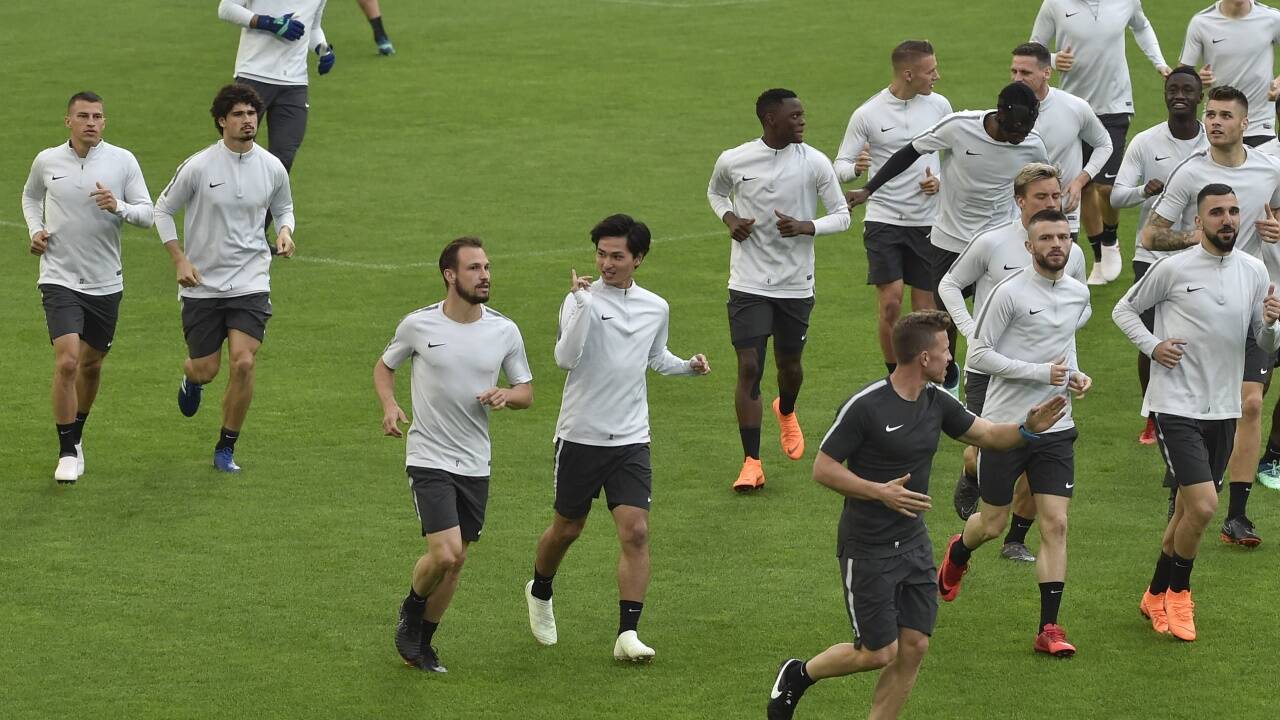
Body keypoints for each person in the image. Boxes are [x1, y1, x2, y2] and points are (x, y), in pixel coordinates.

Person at [765, 310, 1066, 720]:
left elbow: (990, 436)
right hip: (867, 548)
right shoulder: (866, 406)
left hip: (913, 545)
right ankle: (800, 674)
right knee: (877, 652)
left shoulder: (937, 401)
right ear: (923, 358)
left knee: (914, 646)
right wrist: (879, 493)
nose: (950, 360)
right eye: (944, 351)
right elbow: (824, 467)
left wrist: (1028, 428)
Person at [524, 214, 710, 662]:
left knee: (637, 532)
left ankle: (627, 633)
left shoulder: (655, 307)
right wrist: (583, 305)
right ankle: (540, 587)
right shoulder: (579, 300)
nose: (607, 263)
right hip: (581, 436)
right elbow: (564, 359)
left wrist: (688, 365)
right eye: (601, 254)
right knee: (568, 528)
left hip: (630, 438)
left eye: (617, 256)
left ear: (638, 259)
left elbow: (654, 357)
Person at [1115, 183, 1280, 641]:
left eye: (1232, 211)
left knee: (1187, 512)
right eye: (1216, 212)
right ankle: (1181, 596)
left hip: (1223, 408)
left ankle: (1153, 594)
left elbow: (1264, 343)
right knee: (1205, 507)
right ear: (1198, 222)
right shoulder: (1172, 268)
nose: (1227, 219)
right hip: (1175, 406)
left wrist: (1270, 324)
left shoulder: (1251, 269)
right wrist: (1153, 345)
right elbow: (1124, 310)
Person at [937, 209, 1093, 657]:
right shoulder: (1008, 294)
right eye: (1046, 238)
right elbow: (980, 355)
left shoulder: (1078, 292)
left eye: (1063, 237)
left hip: (1057, 427)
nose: (1057, 245)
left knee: (1056, 524)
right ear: (1029, 246)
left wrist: (1074, 375)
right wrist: (1040, 372)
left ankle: (1049, 628)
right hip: (1007, 428)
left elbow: (1066, 346)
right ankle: (959, 553)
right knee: (992, 522)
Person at [379, 236, 533, 672]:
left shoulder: (504, 330)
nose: (484, 275)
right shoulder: (419, 325)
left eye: (486, 267)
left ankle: (422, 645)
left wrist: (508, 394)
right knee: (445, 553)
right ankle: (412, 609)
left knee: (457, 560)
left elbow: (526, 391)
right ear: (450, 275)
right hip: (428, 455)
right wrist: (390, 405)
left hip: (475, 460)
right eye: (474, 268)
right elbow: (384, 367)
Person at [1140, 85, 1280, 545]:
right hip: (1197, 307)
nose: (1215, 121)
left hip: (1251, 302)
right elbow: (1149, 236)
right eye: (1211, 114)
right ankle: (1186, 487)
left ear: (1245, 123)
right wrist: (1197, 239)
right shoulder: (1191, 172)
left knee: (1251, 402)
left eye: (1225, 115)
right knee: (1198, 410)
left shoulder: (1269, 168)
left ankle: (1236, 514)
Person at [848, 82, 1050, 396]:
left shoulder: (1032, 144)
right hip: (949, 242)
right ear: (999, 115)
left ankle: (990, 385)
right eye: (1015, 131)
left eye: (1026, 131)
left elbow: (1042, 188)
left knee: (997, 316)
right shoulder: (960, 127)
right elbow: (909, 152)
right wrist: (869, 189)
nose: (1020, 137)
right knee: (945, 321)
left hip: (997, 243)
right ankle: (946, 384)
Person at [940, 164, 1088, 563]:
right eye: (1041, 197)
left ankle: (1015, 539)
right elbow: (949, 284)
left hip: (1043, 372)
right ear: (1020, 201)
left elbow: (1075, 308)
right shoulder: (992, 242)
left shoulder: (1065, 249)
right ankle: (974, 476)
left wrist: (1066, 358)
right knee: (980, 450)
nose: (1051, 203)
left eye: (1055, 196)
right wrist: (971, 330)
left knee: (1035, 453)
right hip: (989, 368)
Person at [707, 88, 850, 492]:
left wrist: (808, 226)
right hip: (748, 283)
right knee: (749, 367)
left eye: (803, 115)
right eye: (795, 116)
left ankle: (786, 410)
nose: (803, 121)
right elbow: (715, 193)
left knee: (789, 367)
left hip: (795, 284)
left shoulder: (815, 163)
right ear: (770, 120)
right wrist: (729, 217)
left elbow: (842, 216)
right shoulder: (734, 159)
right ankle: (751, 462)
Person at [153, 83, 296, 473]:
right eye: (238, 114)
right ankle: (192, 379)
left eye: (252, 113)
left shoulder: (271, 167)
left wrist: (284, 231)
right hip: (201, 285)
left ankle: (226, 447)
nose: (248, 120)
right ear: (222, 121)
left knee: (244, 363)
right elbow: (161, 211)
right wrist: (179, 259)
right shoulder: (198, 166)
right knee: (207, 368)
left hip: (251, 280)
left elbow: (284, 207)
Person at [21, 91, 153, 484]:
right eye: (83, 116)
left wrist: (119, 207)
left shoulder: (122, 161)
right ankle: (65, 450)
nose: (91, 122)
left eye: (98, 116)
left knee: (91, 365)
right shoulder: (47, 160)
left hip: (105, 281)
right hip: (59, 277)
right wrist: (36, 230)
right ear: (68, 122)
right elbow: (30, 197)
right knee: (67, 360)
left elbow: (147, 214)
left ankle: (76, 434)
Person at [1031, 0, 1171, 286]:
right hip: (1073, 108)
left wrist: (1159, 62)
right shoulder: (1054, 4)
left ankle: (1110, 238)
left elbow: (1142, 26)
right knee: (1085, 186)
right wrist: (1055, 59)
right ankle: (1098, 255)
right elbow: (1034, 47)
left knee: (1107, 185)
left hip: (1115, 105)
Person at [835, 40, 952, 375]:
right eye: (931, 71)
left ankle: (927, 376)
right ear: (908, 73)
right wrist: (856, 169)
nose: (937, 77)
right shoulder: (868, 114)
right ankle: (895, 376)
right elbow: (839, 165)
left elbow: (954, 156)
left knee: (925, 310)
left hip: (928, 221)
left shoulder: (940, 106)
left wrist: (939, 180)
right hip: (884, 219)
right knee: (891, 304)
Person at [1110, 66, 1207, 446]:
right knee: (1150, 336)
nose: (1179, 94)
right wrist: (1144, 191)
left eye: (1187, 90)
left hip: (1203, 254)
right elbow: (1116, 196)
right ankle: (1152, 415)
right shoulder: (1146, 143)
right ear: (1165, 94)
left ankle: (1195, 409)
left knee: (1197, 334)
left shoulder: (1213, 142)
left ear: (1200, 97)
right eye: (1173, 89)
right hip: (1152, 256)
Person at [217, 0, 334, 238]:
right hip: (254, 74)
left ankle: (256, 233)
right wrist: (267, 23)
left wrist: (322, 48)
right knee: (238, 155)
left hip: (294, 83)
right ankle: (226, 228)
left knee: (282, 159)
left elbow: (311, 26)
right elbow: (226, 8)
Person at [1008, 41, 1113, 276]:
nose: (1017, 78)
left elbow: (1104, 144)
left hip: (1061, 213)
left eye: (1025, 72)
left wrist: (1080, 181)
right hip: (1015, 215)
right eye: (1013, 71)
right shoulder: (1005, 110)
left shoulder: (1073, 107)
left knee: (1057, 279)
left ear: (1047, 73)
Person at [1180, 0, 1280, 147]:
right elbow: (1182, 77)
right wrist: (1197, 80)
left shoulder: (1272, 19)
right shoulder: (1201, 23)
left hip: (1260, 124)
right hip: (1219, 124)